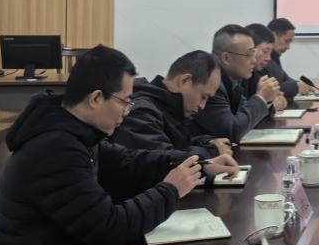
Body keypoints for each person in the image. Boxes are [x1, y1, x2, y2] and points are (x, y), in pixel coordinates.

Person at [0, 45, 203, 245]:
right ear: (96, 98)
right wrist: (170, 190)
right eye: (125, 101)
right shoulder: (55, 148)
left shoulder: (77, 132)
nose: (127, 111)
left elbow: (128, 162)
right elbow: (107, 227)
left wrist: (197, 163)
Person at [114, 50, 245, 172]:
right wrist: (213, 151)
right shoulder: (143, 112)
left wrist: (207, 142)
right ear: (184, 80)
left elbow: (180, 143)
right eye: (203, 97)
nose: (202, 106)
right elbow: (164, 163)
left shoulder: (171, 107)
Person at [189, 24, 281, 144]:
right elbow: (232, 132)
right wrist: (261, 98)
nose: (253, 61)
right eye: (249, 54)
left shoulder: (232, 79)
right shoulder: (210, 84)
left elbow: (244, 115)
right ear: (226, 58)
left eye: (254, 53)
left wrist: (267, 101)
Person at [244, 23, 289, 111]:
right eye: (265, 51)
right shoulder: (236, 76)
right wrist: (266, 102)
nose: (268, 58)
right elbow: (239, 115)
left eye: (270, 53)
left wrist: (273, 101)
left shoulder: (254, 73)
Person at [266, 17, 303, 98]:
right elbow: (267, 89)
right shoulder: (261, 59)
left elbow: (285, 78)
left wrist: (300, 84)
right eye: (286, 41)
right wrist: (296, 86)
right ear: (273, 36)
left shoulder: (275, 56)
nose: (288, 47)